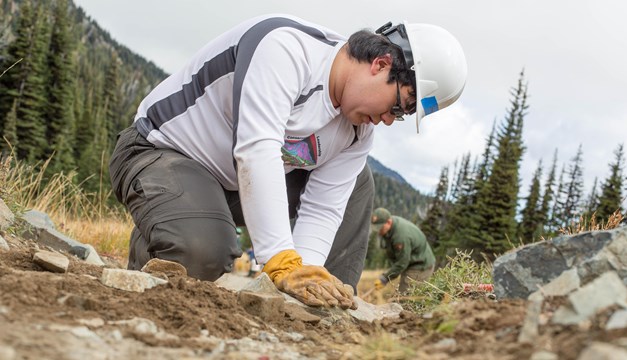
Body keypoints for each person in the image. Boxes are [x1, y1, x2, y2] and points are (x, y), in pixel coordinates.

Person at [109, 14, 466, 310]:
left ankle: (322, 305)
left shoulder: (358, 133)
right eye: (400, 106)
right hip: (163, 152)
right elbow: (257, 149)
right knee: (204, 252)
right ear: (382, 64)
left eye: (401, 116)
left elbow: (325, 208)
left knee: (359, 183)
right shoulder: (286, 49)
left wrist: (302, 274)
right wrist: (280, 259)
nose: (389, 119)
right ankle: (163, 238)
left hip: (232, 184)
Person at [371, 207, 436, 293]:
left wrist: (385, 278)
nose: (379, 232)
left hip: (420, 265)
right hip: (410, 263)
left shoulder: (400, 237)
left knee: (405, 298)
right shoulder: (388, 229)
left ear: (389, 222)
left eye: (380, 228)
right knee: (401, 296)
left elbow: (402, 263)